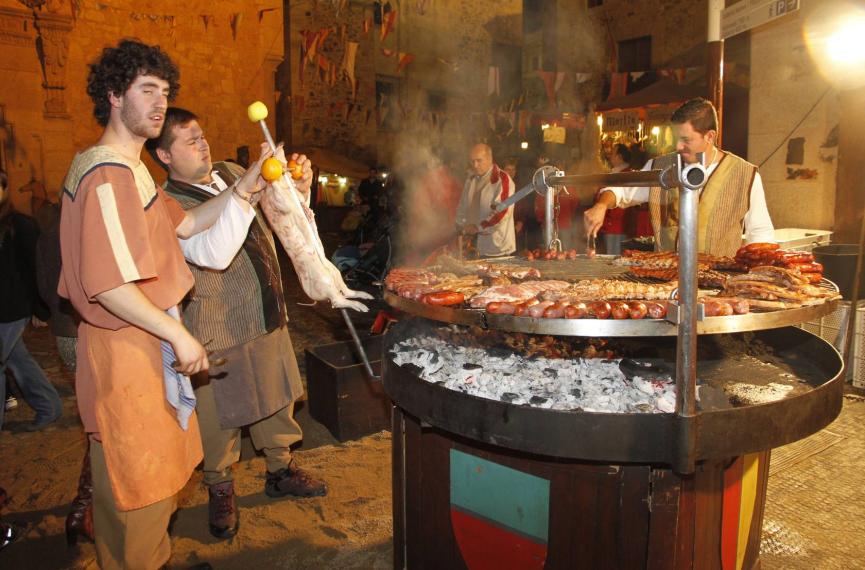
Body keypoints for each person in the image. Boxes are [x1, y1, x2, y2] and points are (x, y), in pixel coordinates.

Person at [58, 40, 265, 569]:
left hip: (143, 344)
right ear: (112, 96)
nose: (158, 103)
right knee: (137, 486)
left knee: (149, 482)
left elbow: (188, 222)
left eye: (164, 92)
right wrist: (178, 333)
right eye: (146, 90)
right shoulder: (106, 174)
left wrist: (246, 184)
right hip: (126, 351)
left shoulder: (134, 173)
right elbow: (108, 286)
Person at [146, 107, 327, 541]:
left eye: (202, 135)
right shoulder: (166, 205)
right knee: (219, 415)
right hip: (214, 325)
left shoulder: (230, 171)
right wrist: (248, 188)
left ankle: (280, 468)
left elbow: (286, 214)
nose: (203, 144)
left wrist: (299, 186)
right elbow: (214, 250)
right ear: (165, 155)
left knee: (276, 398)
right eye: (190, 141)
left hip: (266, 308)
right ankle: (220, 487)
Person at [585, 98, 775, 257]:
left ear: (710, 136)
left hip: (720, 286)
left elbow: (760, 232)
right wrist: (601, 205)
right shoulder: (661, 166)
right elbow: (621, 191)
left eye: (686, 140)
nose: (677, 146)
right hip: (667, 280)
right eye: (676, 138)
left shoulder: (745, 174)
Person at [0, 169, 63, 432]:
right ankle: (49, 406)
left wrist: (41, 308)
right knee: (17, 358)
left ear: (4, 189)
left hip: (12, 309)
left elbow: (35, 268)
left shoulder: (20, 225)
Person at [455, 143, 516, 257]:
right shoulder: (471, 179)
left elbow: (501, 213)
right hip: (473, 246)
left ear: (490, 159)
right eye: (472, 161)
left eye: (479, 161)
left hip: (496, 249)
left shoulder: (502, 180)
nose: (475, 165)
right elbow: (462, 206)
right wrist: (460, 225)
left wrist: (478, 227)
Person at [595, 143, 632, 255]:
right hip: (612, 225)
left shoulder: (626, 174)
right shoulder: (617, 172)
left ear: (620, 157)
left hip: (617, 226)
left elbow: (621, 200)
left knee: (614, 257)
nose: (610, 156)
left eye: (613, 153)